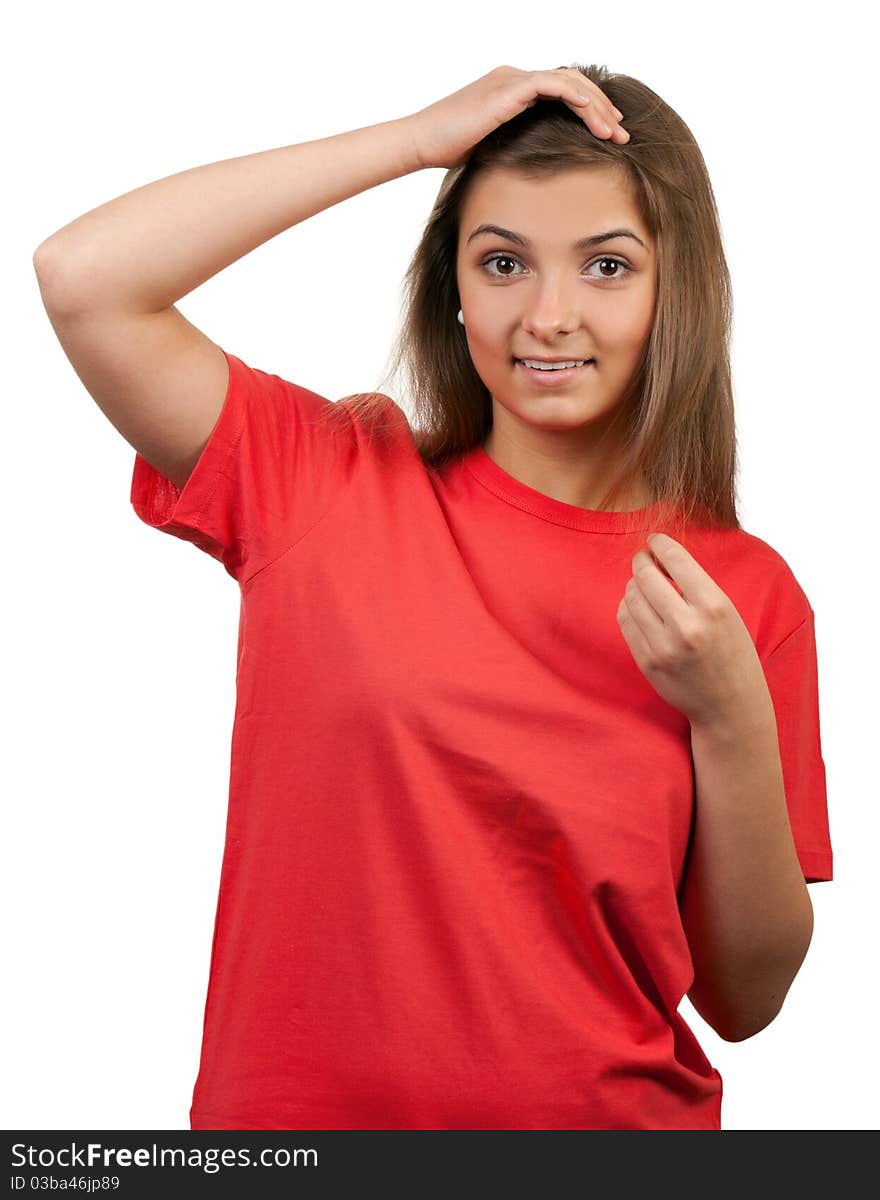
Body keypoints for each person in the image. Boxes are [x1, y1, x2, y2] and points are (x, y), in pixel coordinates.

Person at [33, 62, 833, 1131]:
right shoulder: (326, 484)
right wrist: (413, 142)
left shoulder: (739, 596)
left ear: (673, 288)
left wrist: (730, 713)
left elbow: (748, 998)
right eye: (502, 261)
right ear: (451, 286)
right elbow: (85, 277)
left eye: (605, 265)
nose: (548, 316)